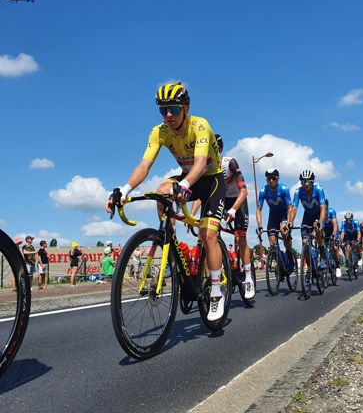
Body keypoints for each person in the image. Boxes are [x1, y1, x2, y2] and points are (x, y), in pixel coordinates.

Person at [105, 82, 227, 321]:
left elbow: (200, 164)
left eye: (174, 108)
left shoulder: (200, 125)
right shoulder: (159, 132)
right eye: (163, 110)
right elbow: (145, 165)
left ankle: (215, 293)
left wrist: (184, 185)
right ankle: (168, 238)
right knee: (161, 190)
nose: (168, 115)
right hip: (188, 177)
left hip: (211, 180)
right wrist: (124, 189)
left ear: (186, 108)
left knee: (208, 235)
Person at [193, 133, 255, 298]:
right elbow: (200, 195)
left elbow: (244, 191)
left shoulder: (230, 163)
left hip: (237, 200)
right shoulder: (205, 167)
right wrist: (192, 214)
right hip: (219, 199)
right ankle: (221, 270)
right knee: (209, 235)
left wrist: (233, 210)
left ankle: (248, 277)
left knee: (240, 237)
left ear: (219, 149)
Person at [256, 168, 294, 270]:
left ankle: (289, 253)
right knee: (272, 243)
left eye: (273, 178)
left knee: (284, 232)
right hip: (273, 216)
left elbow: (290, 207)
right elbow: (259, 209)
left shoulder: (284, 189)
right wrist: (259, 226)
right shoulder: (263, 191)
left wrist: (288, 222)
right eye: (269, 179)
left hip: (284, 215)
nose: (271, 181)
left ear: (278, 179)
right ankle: (281, 262)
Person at [289, 170, 327, 268]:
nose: (306, 185)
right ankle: (311, 268)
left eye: (308, 182)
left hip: (318, 214)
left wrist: (320, 222)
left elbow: (323, 207)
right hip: (307, 215)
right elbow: (294, 209)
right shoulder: (298, 191)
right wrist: (290, 222)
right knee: (304, 242)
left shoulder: (318, 189)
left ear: (312, 182)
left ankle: (322, 251)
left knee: (317, 228)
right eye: (303, 182)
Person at [323, 199, 342, 277]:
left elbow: (335, 224)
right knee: (321, 245)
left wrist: (334, 234)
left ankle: (337, 266)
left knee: (335, 247)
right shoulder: (318, 212)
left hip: (333, 229)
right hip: (325, 230)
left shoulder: (331, 211)